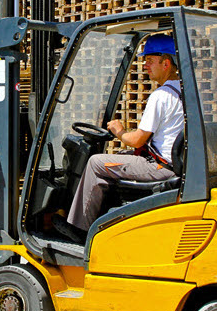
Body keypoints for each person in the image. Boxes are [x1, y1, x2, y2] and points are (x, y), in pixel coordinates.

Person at [54, 34, 185, 243]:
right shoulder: (181, 91)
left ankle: (79, 230)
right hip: (169, 161)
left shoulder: (161, 96)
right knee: (120, 157)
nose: (145, 65)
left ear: (166, 63)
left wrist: (119, 131)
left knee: (96, 163)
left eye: (150, 60)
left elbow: (137, 140)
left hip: (160, 167)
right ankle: (106, 220)